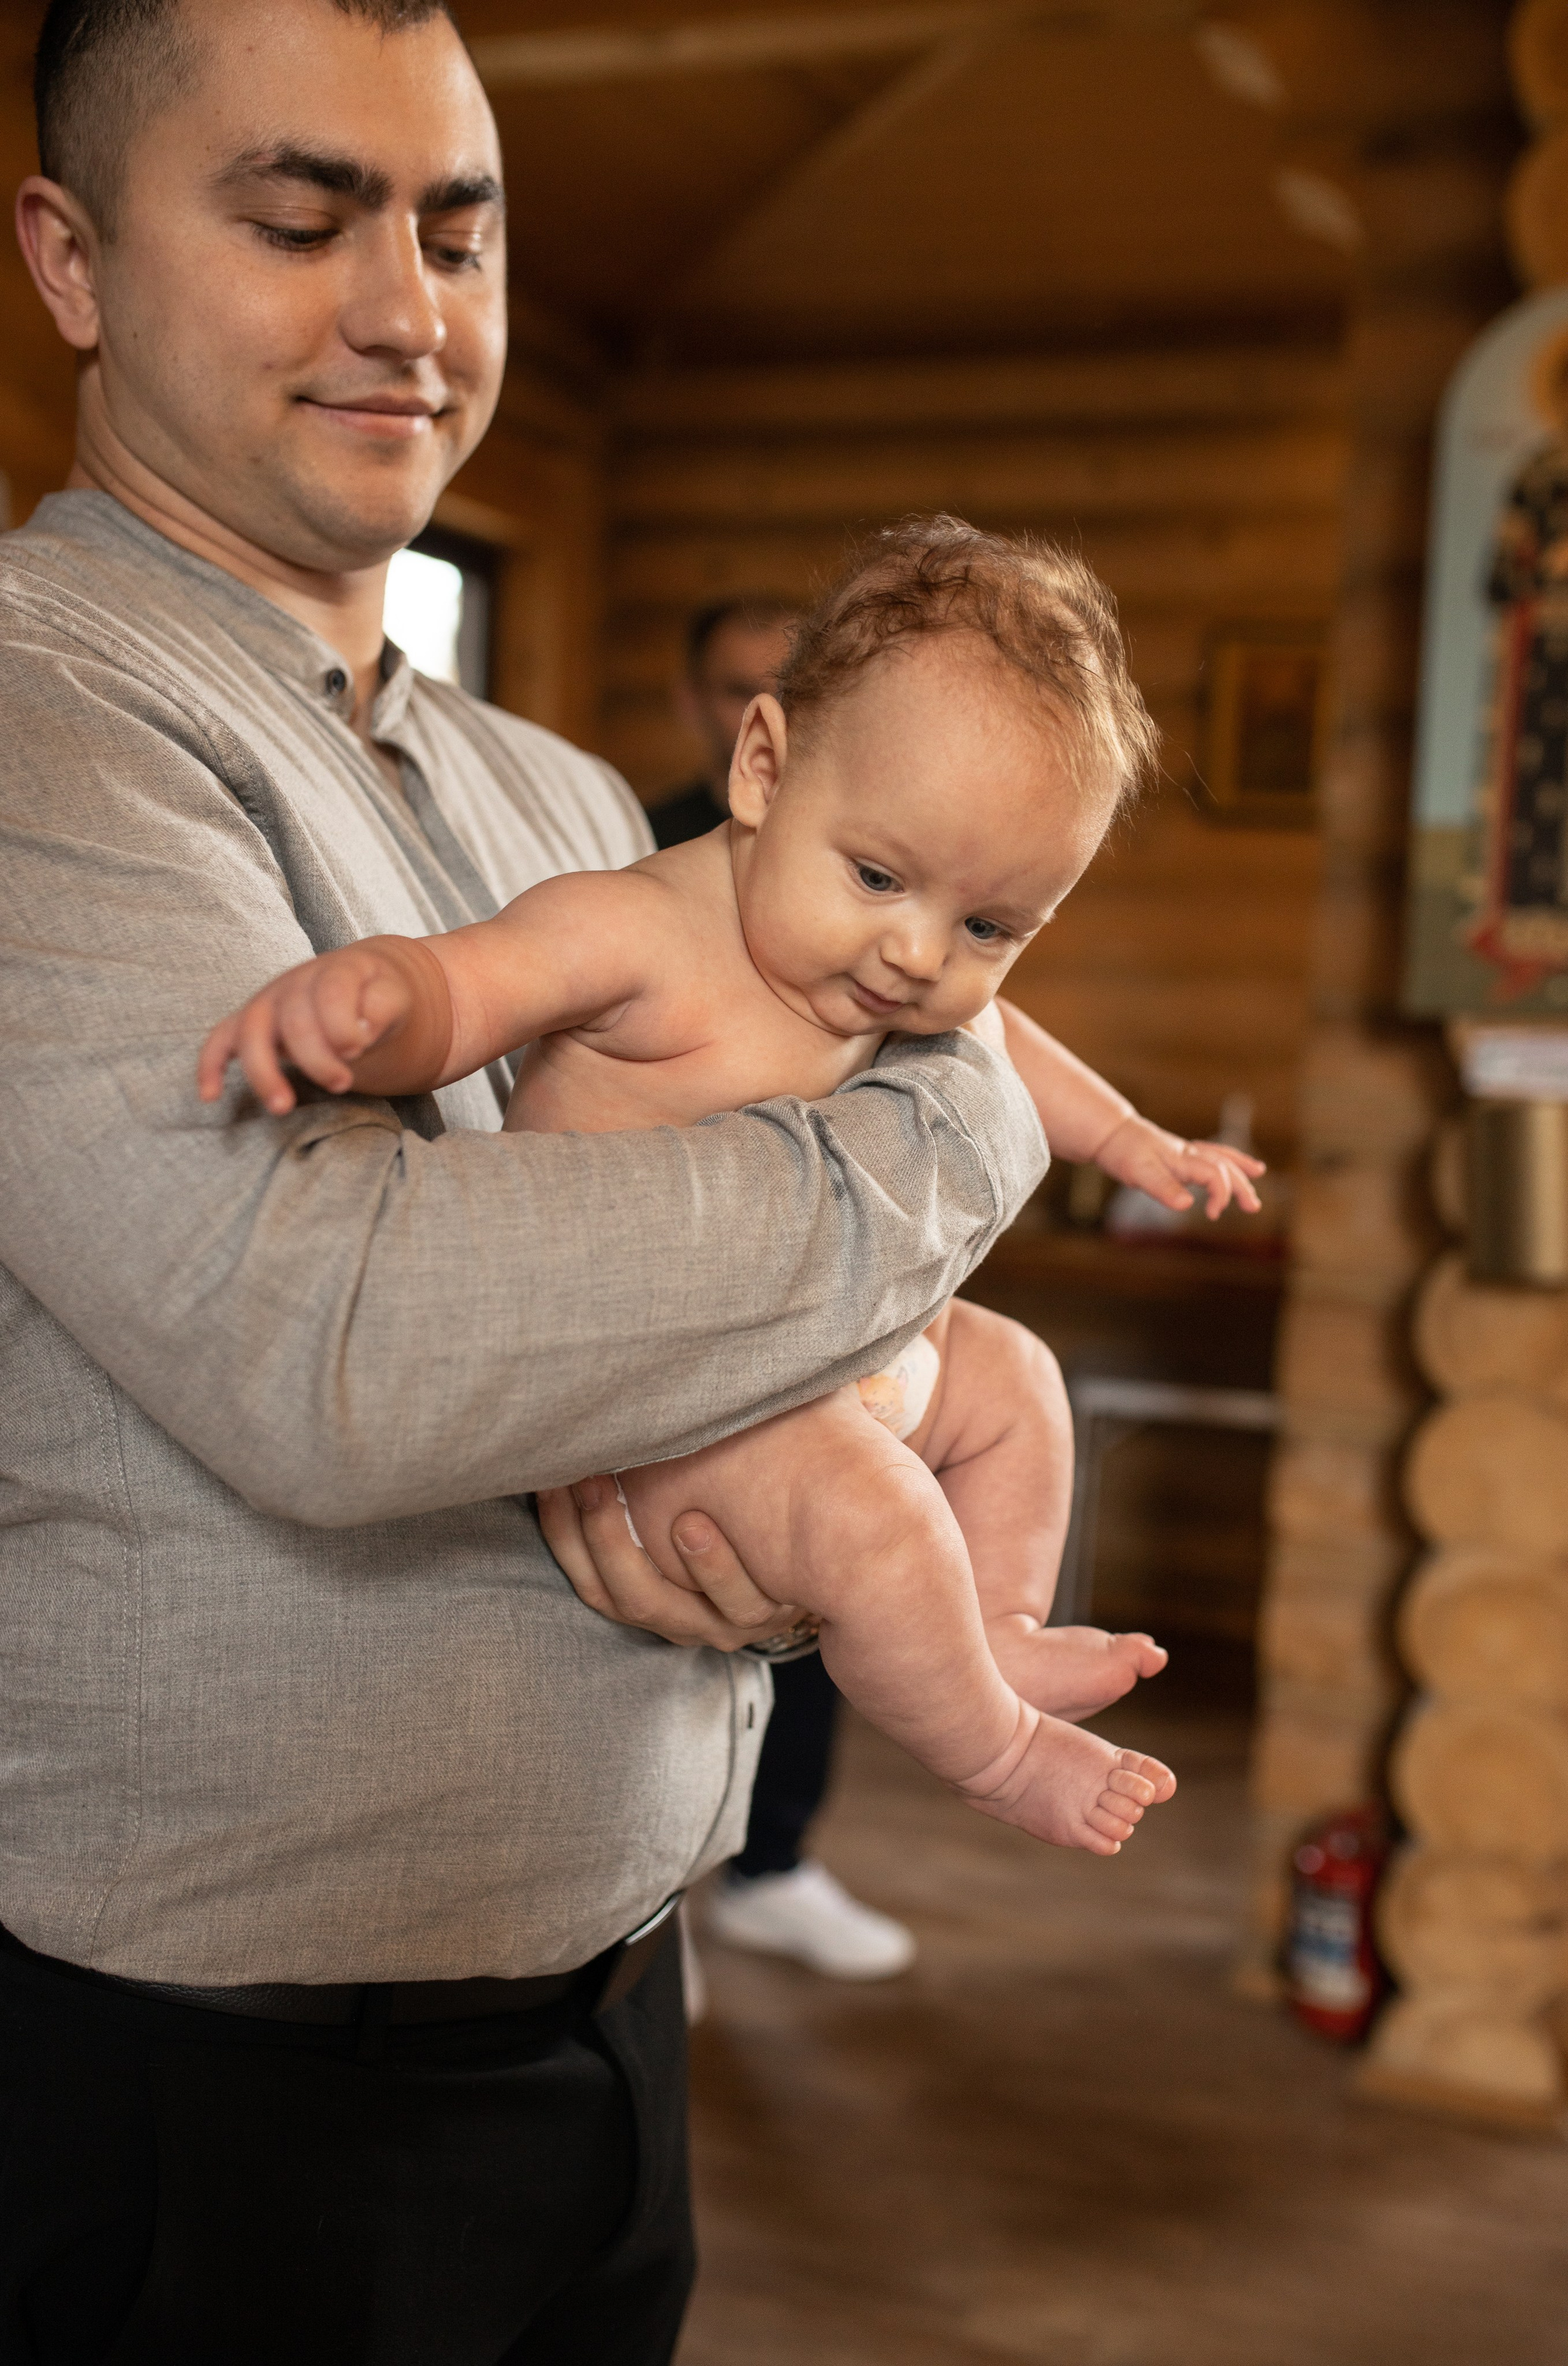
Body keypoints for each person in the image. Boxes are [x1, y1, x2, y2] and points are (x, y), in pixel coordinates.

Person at [0, 6, 1054, 2362]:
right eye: (298, 220)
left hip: (609, 2016)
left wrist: (764, 1533)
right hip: (229, 2103)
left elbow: (754, 1334)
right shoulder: (36, 717)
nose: (408, 309)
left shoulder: (569, 794)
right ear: (69, 260)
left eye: (456, 231)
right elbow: (341, 1350)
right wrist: (953, 1131)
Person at [203, 518, 1268, 1857]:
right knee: (876, 1521)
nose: (915, 953)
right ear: (762, 768)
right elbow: (472, 984)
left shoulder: (891, 954)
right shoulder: (641, 927)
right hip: (672, 1408)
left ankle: (993, 1628)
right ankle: (995, 1752)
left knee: (1017, 1384)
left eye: (989, 927)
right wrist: (374, 1002)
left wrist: (1126, 1140)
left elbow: (1005, 1045)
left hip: (845, 1366)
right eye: (877, 878)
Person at [653, 597, 919, 1984]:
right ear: (712, 709)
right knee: (653, 1593)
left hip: (819, 1270)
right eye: (733, 682)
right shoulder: (631, 843)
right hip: (666, 1272)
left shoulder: (890, 865)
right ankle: (655, 1893)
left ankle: (773, 1861)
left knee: (824, 1560)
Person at [649, 594, 799, 849]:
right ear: (692, 704)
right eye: (742, 692)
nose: (770, 711)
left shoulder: (854, 835)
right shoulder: (644, 842)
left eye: (790, 691)